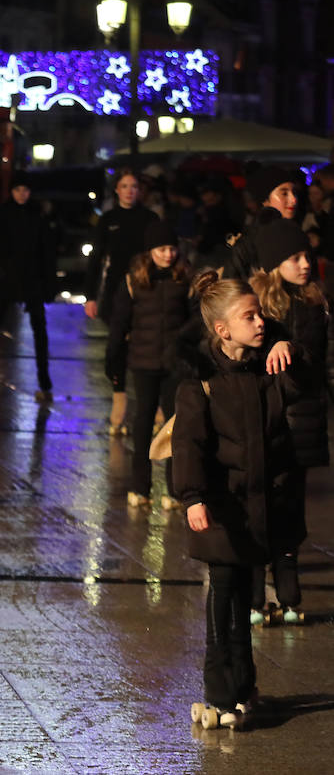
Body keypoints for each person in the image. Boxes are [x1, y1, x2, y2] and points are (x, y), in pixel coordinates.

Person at [173, 271, 296, 731]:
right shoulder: (200, 380)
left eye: (261, 313)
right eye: (250, 316)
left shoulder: (268, 366)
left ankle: (244, 686)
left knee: (245, 590)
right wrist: (192, 497)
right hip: (220, 504)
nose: (261, 322)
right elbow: (189, 445)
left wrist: (292, 349)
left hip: (258, 503)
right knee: (223, 595)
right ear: (222, 330)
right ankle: (218, 691)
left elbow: (304, 396)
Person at [245, 219, 332, 626]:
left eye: (307, 256)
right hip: (261, 421)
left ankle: (288, 589)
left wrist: (292, 348)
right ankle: (254, 591)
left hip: (300, 423)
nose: (304, 264)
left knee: (290, 507)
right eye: (294, 257)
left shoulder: (314, 304)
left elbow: (318, 362)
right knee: (259, 504)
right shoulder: (255, 306)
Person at [106, 221, 191, 509]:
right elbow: (119, 324)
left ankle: (175, 489)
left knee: (174, 424)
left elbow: (193, 322)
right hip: (143, 362)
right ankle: (139, 487)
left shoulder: (185, 278)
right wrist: (113, 360)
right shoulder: (134, 280)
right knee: (143, 421)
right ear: (150, 250)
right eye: (161, 249)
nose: (168, 255)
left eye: (171, 248)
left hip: (175, 364)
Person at [83, 169, 159, 433]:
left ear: (140, 190)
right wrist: (90, 296)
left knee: (144, 344)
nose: (129, 190)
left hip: (145, 288)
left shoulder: (149, 218)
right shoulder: (108, 219)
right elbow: (96, 260)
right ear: (117, 190)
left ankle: (152, 404)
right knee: (116, 346)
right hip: (115, 290)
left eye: (134, 186)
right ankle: (119, 398)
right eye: (124, 186)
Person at [0, 171, 58, 401]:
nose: (22, 194)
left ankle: (44, 381)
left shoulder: (36, 216)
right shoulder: (5, 214)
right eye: (18, 190)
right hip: (10, 280)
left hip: (31, 281)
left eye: (25, 190)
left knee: (40, 333)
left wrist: (48, 284)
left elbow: (47, 252)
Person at [227, 165, 300, 280]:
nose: (294, 199)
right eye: (284, 193)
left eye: (294, 192)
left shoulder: (296, 234)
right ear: (265, 200)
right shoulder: (249, 242)